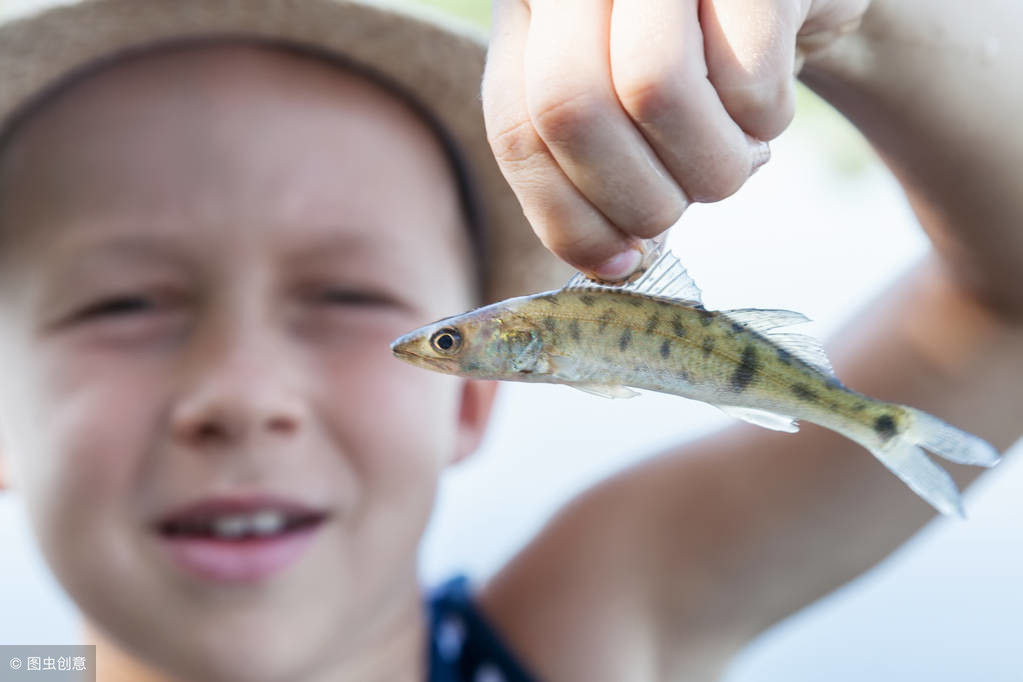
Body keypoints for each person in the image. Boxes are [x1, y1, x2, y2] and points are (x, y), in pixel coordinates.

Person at [0, 1, 1018, 681]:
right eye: (120, 304)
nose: (242, 390)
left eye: (348, 293)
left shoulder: (586, 623)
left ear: (475, 398)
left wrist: (870, 24)